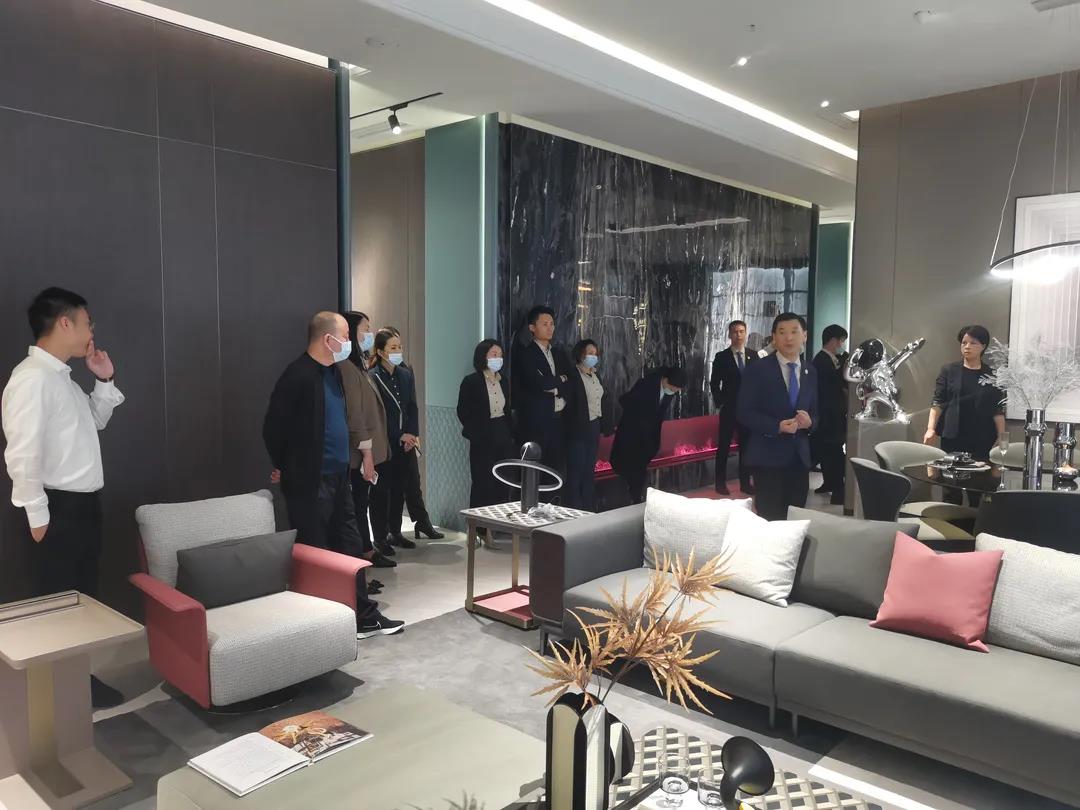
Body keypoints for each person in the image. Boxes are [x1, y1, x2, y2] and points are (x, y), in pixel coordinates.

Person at [2, 287, 126, 708]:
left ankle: (76, 683)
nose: (92, 331)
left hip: (81, 506)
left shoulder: (60, 378)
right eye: (88, 322)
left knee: (80, 601)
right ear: (65, 322)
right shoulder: (32, 379)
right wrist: (38, 516)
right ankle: (60, 694)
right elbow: (22, 453)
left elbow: (93, 422)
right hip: (58, 509)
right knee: (58, 603)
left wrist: (103, 378)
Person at [263, 312, 404, 639]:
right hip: (311, 481)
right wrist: (287, 465)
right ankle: (322, 625)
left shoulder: (335, 373)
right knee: (317, 551)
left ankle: (362, 616)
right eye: (345, 336)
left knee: (350, 546)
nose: (350, 342)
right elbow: (273, 428)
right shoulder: (298, 375)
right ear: (328, 340)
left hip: (339, 477)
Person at [736, 313, 819, 520]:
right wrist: (777, 426)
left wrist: (810, 423)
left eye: (794, 332)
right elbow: (744, 412)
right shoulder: (757, 370)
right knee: (770, 519)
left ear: (805, 336)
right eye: (782, 332)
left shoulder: (810, 371)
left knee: (795, 519)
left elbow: (816, 412)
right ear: (774, 337)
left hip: (799, 459)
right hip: (767, 458)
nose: (788, 338)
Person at [923, 325, 1006, 506]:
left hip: (982, 439)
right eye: (964, 342)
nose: (967, 347)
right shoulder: (949, 371)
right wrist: (930, 429)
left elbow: (998, 410)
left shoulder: (992, 375)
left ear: (983, 346)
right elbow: (938, 402)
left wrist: (1002, 437)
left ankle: (976, 522)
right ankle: (951, 522)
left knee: (979, 490)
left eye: (973, 343)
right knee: (950, 489)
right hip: (953, 437)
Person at [341, 311, 395, 581]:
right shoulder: (346, 368)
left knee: (364, 501)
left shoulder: (359, 364)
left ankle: (367, 548)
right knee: (358, 505)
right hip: (358, 453)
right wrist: (366, 455)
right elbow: (355, 415)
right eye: (365, 329)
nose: (369, 335)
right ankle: (363, 552)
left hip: (371, 448)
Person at [380, 326, 443, 543]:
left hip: (407, 440)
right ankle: (387, 532)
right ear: (380, 351)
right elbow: (380, 413)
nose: (398, 351)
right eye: (393, 347)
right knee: (388, 489)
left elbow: (412, 407)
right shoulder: (374, 375)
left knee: (407, 483)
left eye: (399, 346)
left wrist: (412, 435)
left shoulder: (406, 373)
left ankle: (405, 528)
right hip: (387, 440)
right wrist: (398, 434)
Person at [610, 366, 687, 504]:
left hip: (648, 438)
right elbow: (626, 401)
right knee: (629, 469)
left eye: (677, 389)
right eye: (673, 387)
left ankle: (636, 498)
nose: (674, 391)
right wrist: (641, 417)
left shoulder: (669, 391)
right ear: (665, 380)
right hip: (632, 433)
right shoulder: (646, 385)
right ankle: (630, 499)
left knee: (639, 470)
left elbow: (658, 416)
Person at [513, 305, 575, 475]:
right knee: (532, 472)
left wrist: (556, 386)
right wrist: (559, 380)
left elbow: (571, 382)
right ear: (532, 328)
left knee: (555, 471)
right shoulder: (526, 354)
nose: (550, 328)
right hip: (535, 423)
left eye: (552, 324)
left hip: (559, 421)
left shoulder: (559, 354)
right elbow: (539, 384)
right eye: (545, 324)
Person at [457, 339, 515, 511]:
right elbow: (463, 411)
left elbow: (507, 409)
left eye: (500, 355)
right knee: (482, 482)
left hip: (502, 433)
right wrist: (475, 433)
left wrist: (510, 433)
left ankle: (500, 518)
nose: (498, 358)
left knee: (502, 481)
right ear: (483, 356)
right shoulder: (471, 381)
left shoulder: (503, 381)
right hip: (482, 436)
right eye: (494, 354)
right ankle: (479, 522)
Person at [710, 320, 758, 495]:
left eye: (742, 331)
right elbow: (714, 383)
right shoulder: (721, 357)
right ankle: (720, 483)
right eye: (735, 332)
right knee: (724, 446)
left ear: (746, 333)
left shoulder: (753, 355)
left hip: (748, 410)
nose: (739, 335)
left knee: (746, 447)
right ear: (730, 335)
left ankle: (745, 483)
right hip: (730, 408)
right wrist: (720, 401)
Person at [564, 339, 613, 510]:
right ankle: (574, 509)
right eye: (590, 353)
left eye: (595, 354)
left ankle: (588, 508)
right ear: (580, 355)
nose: (594, 356)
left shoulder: (595, 375)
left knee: (589, 470)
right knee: (576, 471)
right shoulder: (573, 374)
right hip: (578, 428)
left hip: (594, 426)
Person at [810, 324, 849, 505]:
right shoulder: (821, 361)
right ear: (834, 340)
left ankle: (830, 483)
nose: (842, 344)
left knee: (829, 452)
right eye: (842, 340)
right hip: (828, 416)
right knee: (833, 453)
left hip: (832, 415)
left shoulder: (831, 359)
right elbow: (831, 387)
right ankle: (838, 490)